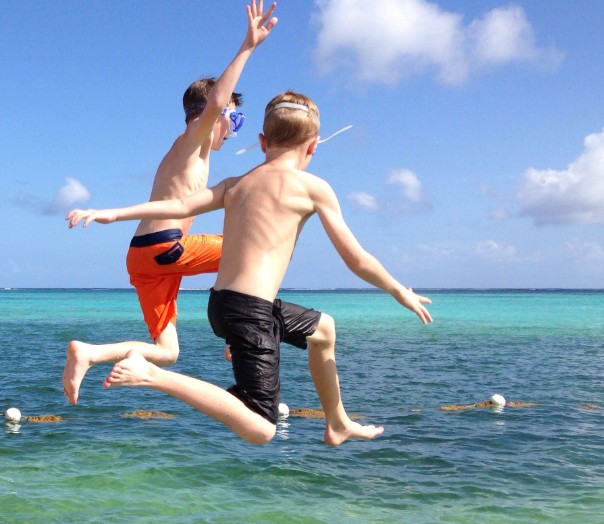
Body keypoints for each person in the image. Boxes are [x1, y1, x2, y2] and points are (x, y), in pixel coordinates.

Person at [66, 91, 433, 446]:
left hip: (226, 305)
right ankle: (153, 375)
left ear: (261, 141)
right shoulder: (313, 188)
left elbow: (177, 206)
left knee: (324, 330)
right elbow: (357, 259)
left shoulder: (235, 184)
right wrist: (399, 290)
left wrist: (111, 213)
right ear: (313, 146)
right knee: (261, 428)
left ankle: (337, 423)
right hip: (250, 313)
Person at [62, 0, 279, 405]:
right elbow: (216, 103)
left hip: (145, 259)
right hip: (165, 249)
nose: (235, 131)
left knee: (168, 352)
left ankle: (87, 353)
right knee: (256, 251)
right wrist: (247, 47)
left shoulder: (195, 154)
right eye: (235, 120)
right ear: (212, 116)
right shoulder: (191, 144)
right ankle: (242, 335)